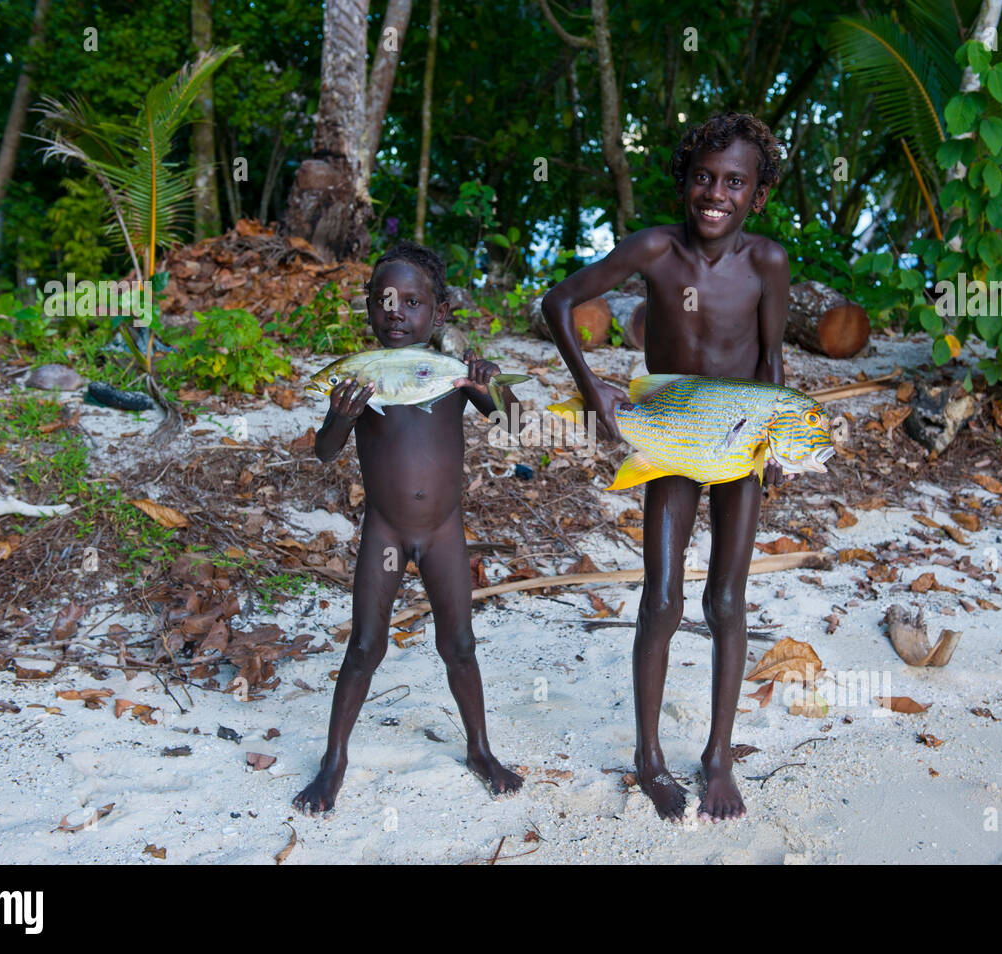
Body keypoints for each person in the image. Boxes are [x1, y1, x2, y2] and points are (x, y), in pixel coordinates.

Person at [541, 113, 788, 822]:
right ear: (684, 181)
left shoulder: (767, 263)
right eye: (704, 178)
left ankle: (718, 756)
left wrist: (771, 445)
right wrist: (594, 393)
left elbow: (771, 361)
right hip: (674, 441)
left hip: (739, 443)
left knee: (728, 602)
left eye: (734, 182)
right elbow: (559, 302)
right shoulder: (655, 250)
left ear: (757, 194)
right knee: (662, 598)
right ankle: (649, 758)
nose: (716, 193)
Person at [293, 241, 523, 815]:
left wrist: (491, 386)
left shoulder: (448, 376)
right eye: (383, 301)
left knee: (460, 645)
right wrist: (340, 419)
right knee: (365, 646)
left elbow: (513, 424)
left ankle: (479, 749)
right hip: (386, 532)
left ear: (438, 312)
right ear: (370, 307)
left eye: (412, 301)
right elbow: (323, 453)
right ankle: (333, 763)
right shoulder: (363, 377)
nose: (395, 311)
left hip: (444, 531)